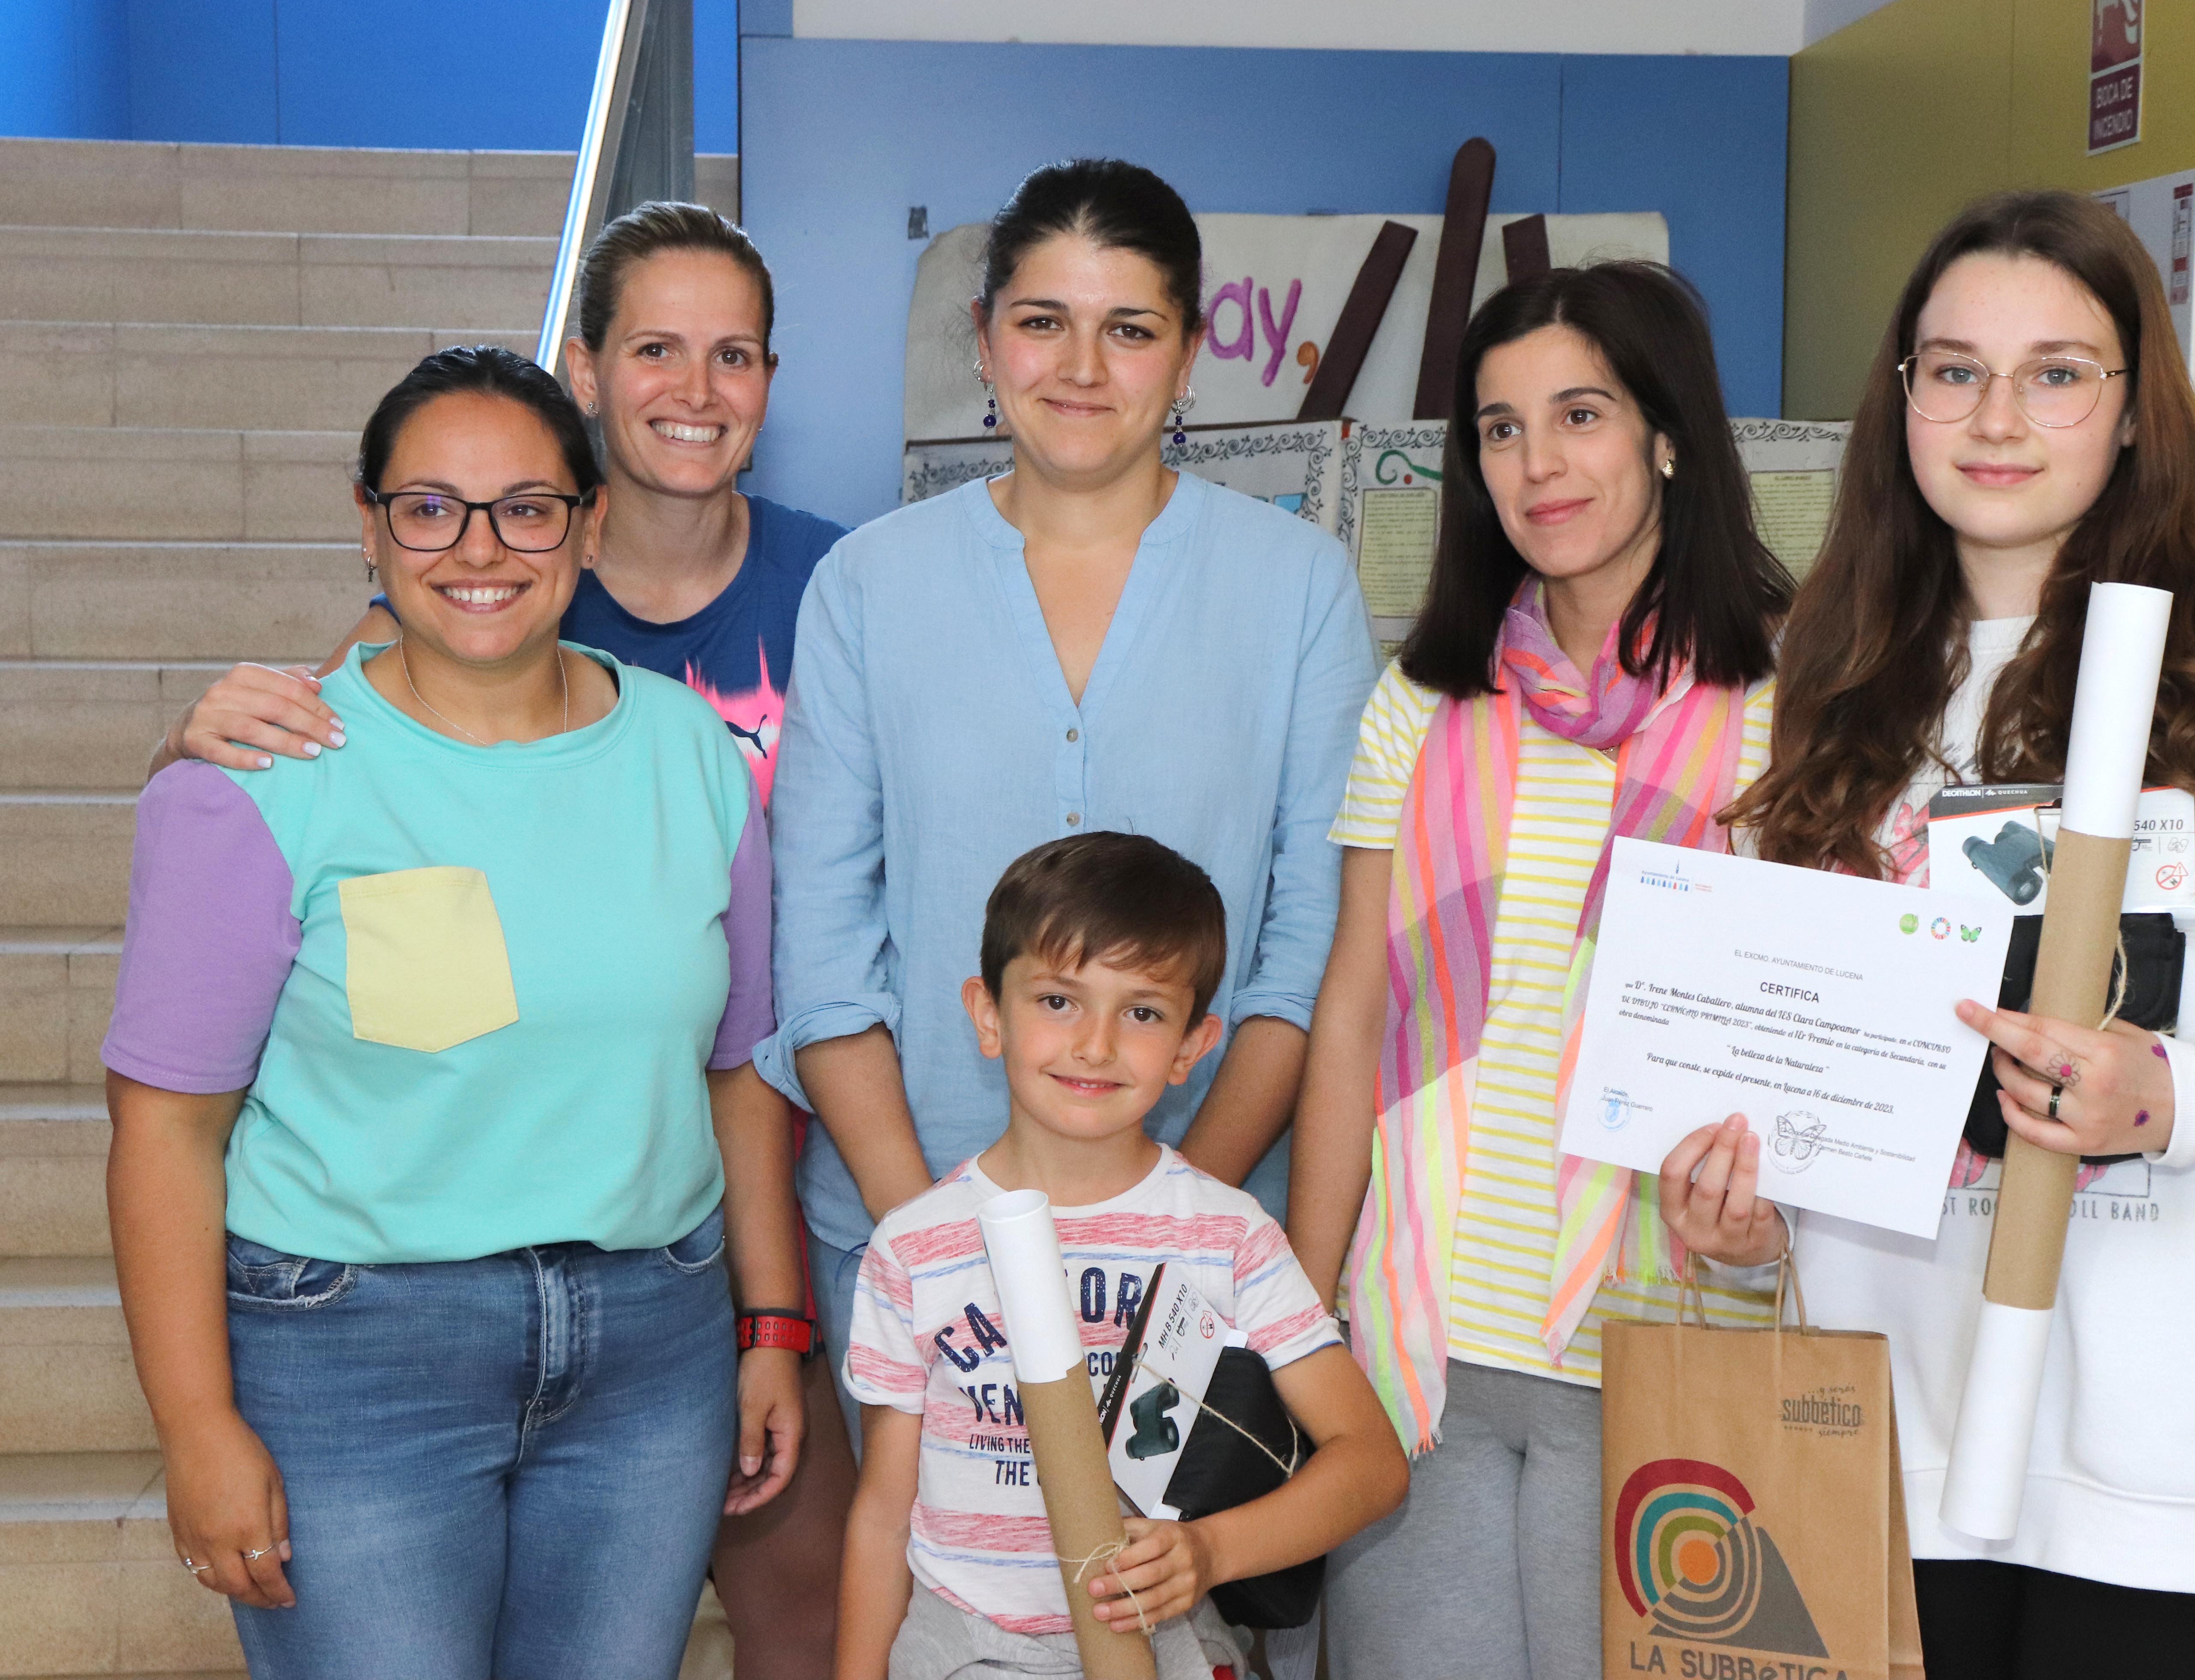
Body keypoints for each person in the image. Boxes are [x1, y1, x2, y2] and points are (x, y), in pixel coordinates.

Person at [1683, 190, 2195, 1679]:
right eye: (1952, 369)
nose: (1998, 415)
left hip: (2184, 1492)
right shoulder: (1833, 681)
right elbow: (1825, 1065)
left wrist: (2175, 1097)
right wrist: (1751, 1221)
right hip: (1900, 1474)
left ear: (2135, 414)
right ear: (1901, 400)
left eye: (2058, 372)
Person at [146, 202, 858, 1675]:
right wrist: (199, 1425)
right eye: (431, 508)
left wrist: (771, 1324)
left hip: (652, 1353)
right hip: (355, 1354)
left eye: (528, 508)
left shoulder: (687, 754)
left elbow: (739, 1072)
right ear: (371, 524)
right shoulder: (271, 771)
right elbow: (163, 1132)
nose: (481, 548)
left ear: (583, 524)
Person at [760, 158, 1377, 1482]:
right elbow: (822, 959)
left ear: (1192, 354)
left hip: (1210, 1250)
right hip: (910, 1222)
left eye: (1131, 327)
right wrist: (933, 1238)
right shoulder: (866, 587)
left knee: (1166, 1628)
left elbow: (1305, 959)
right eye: (1043, 322)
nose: (1082, 366)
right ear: (985, 343)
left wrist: (1175, 1235)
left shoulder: (1302, 590)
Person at [1285, 262, 1795, 1680]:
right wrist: (1307, 1302)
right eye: (1501, 430)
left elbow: (1830, 1031)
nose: (1539, 462)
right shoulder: (1428, 702)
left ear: (1668, 435)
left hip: (1666, 1337)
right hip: (1423, 1347)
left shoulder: (1790, 708)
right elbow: (1355, 1010)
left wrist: (1777, 1225)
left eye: (1580, 414)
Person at [835, 832, 1408, 1680]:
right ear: (989, 1013)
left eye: (1141, 1011)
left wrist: (1209, 1550)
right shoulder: (915, 1247)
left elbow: (1371, 1462)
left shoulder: (1229, 1234)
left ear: (1190, 1045)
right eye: (1059, 1000)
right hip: (969, 1646)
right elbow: (884, 1513)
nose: (1096, 1043)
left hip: (1167, 1645)